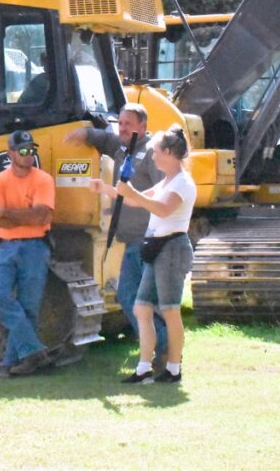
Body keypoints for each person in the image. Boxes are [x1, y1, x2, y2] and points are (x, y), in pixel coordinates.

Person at [92, 125, 195, 384]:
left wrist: (132, 192)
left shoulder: (183, 182)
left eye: (157, 152)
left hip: (172, 248)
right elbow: (135, 200)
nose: (153, 157)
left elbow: (161, 209)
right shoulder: (168, 180)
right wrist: (107, 189)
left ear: (170, 152)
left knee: (170, 310)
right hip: (156, 248)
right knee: (141, 308)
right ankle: (144, 368)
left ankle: (173, 368)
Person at [68, 103, 168, 363]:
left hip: (149, 240)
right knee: (128, 297)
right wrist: (86, 134)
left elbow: (163, 193)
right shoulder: (122, 148)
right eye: (120, 123)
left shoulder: (151, 153)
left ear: (142, 127)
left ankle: (164, 349)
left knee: (145, 300)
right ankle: (158, 349)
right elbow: (106, 138)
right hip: (131, 242)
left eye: (128, 124)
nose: (122, 128)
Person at [0, 129, 56, 377]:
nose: (28, 155)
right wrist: (27, 214)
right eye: (23, 151)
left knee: (29, 307)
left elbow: (43, 215)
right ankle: (35, 351)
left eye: (31, 151)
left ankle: (11, 362)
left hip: (36, 246)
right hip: (5, 247)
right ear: (11, 153)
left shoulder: (43, 180)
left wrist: (8, 213)